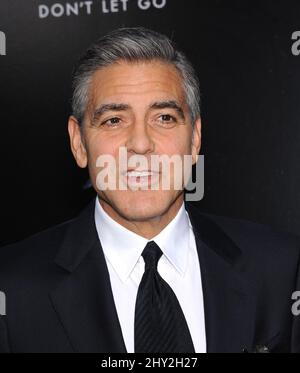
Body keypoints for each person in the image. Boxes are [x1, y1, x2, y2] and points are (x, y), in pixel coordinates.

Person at [0, 27, 300, 353]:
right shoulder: (11, 287)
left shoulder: (281, 268)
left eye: (164, 118)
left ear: (195, 138)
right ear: (79, 142)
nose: (141, 144)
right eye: (114, 120)